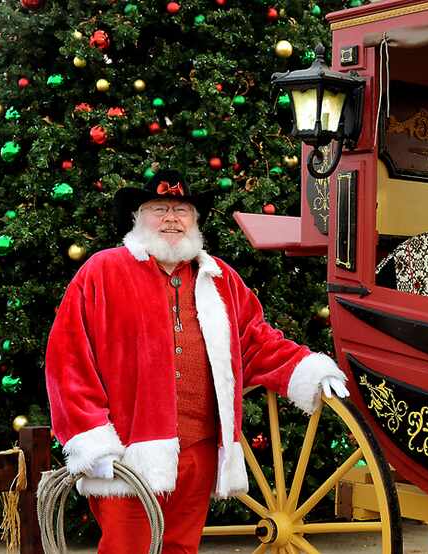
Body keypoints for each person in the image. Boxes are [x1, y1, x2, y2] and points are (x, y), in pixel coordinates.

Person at [45, 171, 349, 553]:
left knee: (182, 548)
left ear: (195, 221)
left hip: (199, 452)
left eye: (181, 210)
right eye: (159, 209)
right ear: (138, 217)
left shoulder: (219, 278)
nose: (171, 219)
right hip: (127, 454)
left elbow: (255, 342)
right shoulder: (102, 272)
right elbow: (68, 361)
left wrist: (306, 370)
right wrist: (92, 441)